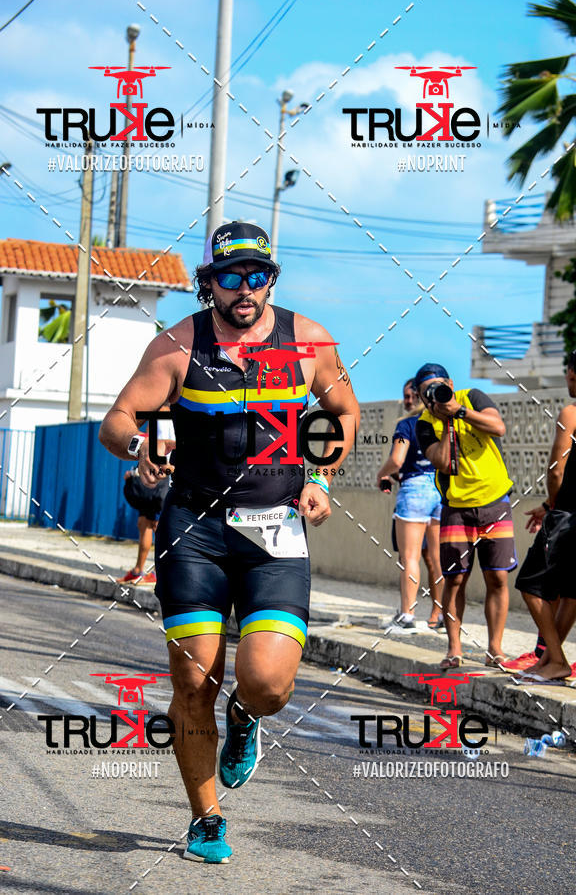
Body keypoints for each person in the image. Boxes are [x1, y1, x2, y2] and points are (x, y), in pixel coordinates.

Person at [99, 221, 360, 863]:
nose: (245, 290)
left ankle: (245, 717)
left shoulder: (308, 340)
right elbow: (118, 418)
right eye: (231, 277)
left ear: (272, 279)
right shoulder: (179, 344)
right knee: (193, 679)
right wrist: (142, 447)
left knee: (267, 684)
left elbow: (343, 412)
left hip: (274, 525)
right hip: (194, 526)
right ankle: (206, 817)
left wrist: (321, 475)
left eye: (258, 276)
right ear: (209, 282)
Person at [415, 363, 517, 671]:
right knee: (455, 579)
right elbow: (444, 463)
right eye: (425, 393)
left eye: (438, 387)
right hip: (456, 508)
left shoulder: (471, 396)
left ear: (450, 382)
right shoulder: (424, 423)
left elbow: (497, 427)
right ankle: (454, 649)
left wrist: (458, 410)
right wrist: (445, 421)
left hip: (495, 500)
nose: (433, 396)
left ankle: (495, 649)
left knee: (497, 576)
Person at [513, 350, 576, 683]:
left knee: (531, 585)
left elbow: (557, 470)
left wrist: (553, 505)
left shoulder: (572, 412)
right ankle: (552, 660)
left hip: (568, 516)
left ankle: (558, 661)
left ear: (573, 373)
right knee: (571, 592)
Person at [377, 378, 443, 634]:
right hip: (440, 488)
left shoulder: (406, 425)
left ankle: (407, 615)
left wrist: (381, 474)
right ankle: (440, 615)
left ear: (420, 396)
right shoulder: (441, 422)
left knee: (410, 558)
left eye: (410, 395)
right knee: (437, 559)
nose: (407, 400)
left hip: (414, 490)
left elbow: (396, 459)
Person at [118, 415, 175, 585]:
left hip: (157, 479)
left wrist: (137, 473)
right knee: (147, 524)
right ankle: (141, 570)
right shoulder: (177, 413)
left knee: (154, 527)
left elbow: (150, 449)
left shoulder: (158, 416)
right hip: (162, 479)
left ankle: (154, 572)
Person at [118, 467, 170, 585]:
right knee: (143, 524)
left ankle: (157, 574)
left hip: (159, 490)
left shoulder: (169, 450)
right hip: (147, 489)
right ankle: (137, 571)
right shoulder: (150, 448)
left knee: (158, 529)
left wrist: (137, 473)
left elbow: (170, 469)